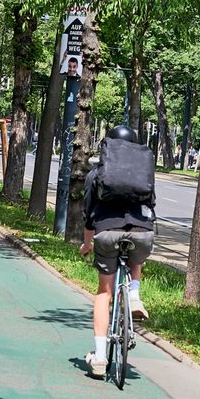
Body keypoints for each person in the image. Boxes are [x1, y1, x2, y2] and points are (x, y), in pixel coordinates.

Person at [79, 125, 156, 378]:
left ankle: (100, 358)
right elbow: (151, 204)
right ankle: (134, 294)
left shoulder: (97, 174)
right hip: (143, 232)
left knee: (104, 292)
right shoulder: (144, 170)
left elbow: (89, 216)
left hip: (107, 232)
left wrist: (87, 244)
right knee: (137, 251)